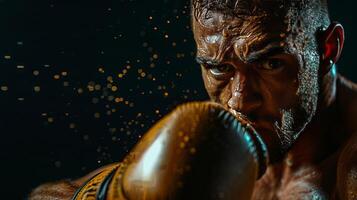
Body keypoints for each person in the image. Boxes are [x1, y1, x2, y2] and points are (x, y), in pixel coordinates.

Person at [29, 0, 357, 199]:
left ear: (328, 49)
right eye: (218, 68)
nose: (240, 100)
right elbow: (48, 195)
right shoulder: (214, 143)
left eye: (270, 63)